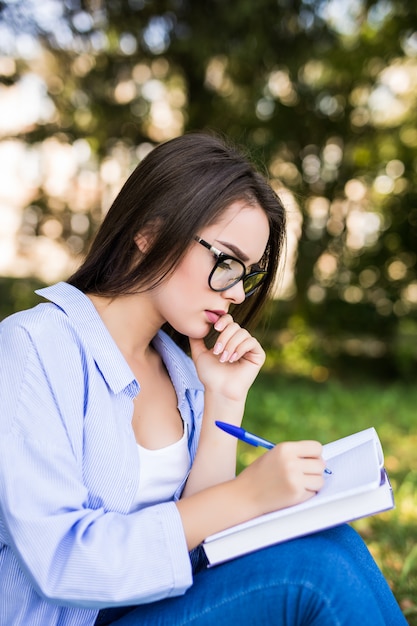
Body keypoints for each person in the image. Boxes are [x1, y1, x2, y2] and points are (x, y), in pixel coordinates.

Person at [0, 132, 406, 626]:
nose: (236, 292)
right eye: (226, 261)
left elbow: (200, 547)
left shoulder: (180, 370)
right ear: (149, 232)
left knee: (333, 541)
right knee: (314, 574)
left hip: (158, 610)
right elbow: (61, 561)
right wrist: (247, 495)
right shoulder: (36, 345)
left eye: (248, 274)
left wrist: (224, 396)